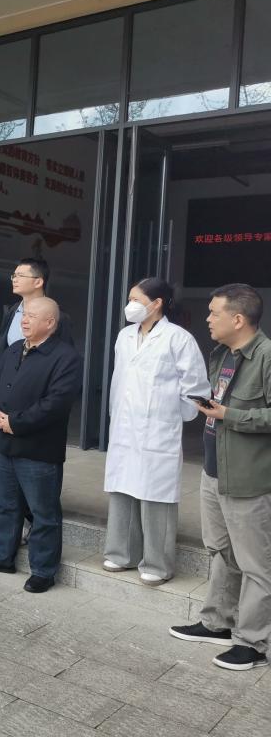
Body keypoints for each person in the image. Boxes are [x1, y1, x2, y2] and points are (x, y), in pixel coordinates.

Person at [170, 284, 271, 672]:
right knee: (221, 552)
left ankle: (253, 642)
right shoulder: (222, 354)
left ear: (238, 319)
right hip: (214, 470)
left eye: (215, 312)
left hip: (248, 478)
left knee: (256, 564)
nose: (208, 318)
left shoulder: (265, 356)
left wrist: (231, 415)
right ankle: (217, 623)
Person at [0, 297, 82, 593]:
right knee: (5, 506)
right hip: (2, 443)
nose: (24, 320)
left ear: (50, 323)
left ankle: (43, 570)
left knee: (43, 513)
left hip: (38, 449)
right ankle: (1, 556)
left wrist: (15, 422)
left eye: (32, 316)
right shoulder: (13, 349)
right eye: (24, 315)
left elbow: (56, 404)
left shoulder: (65, 357)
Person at [103, 278, 208, 585]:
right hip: (124, 426)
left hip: (158, 429)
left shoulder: (178, 338)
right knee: (122, 489)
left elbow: (196, 386)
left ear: (157, 303)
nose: (130, 305)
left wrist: (171, 415)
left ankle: (157, 563)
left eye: (136, 299)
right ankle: (121, 553)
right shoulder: (125, 336)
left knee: (156, 497)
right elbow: (119, 379)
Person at [0, 256, 74, 537]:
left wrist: (21, 418)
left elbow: (60, 369)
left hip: (33, 413)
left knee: (34, 479)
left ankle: (28, 521)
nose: (14, 279)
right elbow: (1, 355)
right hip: (4, 405)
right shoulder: (12, 311)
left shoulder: (58, 318)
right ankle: (2, 517)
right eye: (13, 275)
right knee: (0, 466)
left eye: (20, 275)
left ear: (39, 281)